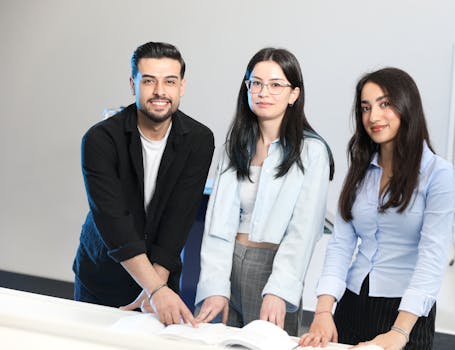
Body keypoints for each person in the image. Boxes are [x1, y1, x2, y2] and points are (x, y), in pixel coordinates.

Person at [299, 68, 455, 349]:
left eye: (385, 104)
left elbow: (432, 256)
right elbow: (341, 245)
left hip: (406, 313)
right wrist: (323, 311)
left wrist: (399, 332)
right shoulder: (361, 168)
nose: (373, 117)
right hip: (353, 301)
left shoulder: (437, 173)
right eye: (365, 108)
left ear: (407, 106)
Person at [194, 48, 334, 336]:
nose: (263, 92)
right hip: (227, 263)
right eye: (255, 83)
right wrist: (215, 285)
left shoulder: (312, 152)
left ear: (294, 93)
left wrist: (279, 290)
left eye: (275, 85)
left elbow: (303, 230)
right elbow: (216, 226)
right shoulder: (234, 148)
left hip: (272, 269)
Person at [72, 42, 214, 326]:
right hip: (104, 273)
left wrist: (156, 287)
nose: (160, 91)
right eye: (149, 80)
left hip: (161, 272)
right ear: (132, 83)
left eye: (170, 81)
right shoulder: (100, 140)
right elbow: (114, 222)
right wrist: (156, 289)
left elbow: (179, 218)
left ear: (181, 86)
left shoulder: (198, 140)